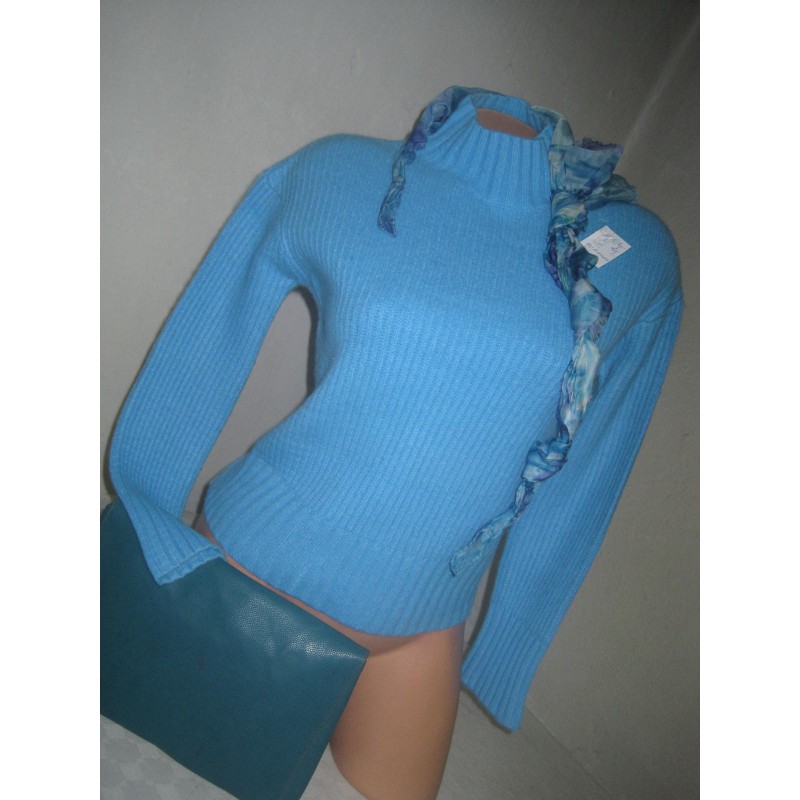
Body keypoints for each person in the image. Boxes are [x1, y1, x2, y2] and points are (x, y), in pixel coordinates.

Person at [110, 87, 682, 800]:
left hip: (422, 631)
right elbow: (205, 341)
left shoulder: (637, 254)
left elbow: (588, 473)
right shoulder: (338, 172)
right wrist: (149, 509)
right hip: (254, 570)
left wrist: (508, 642)